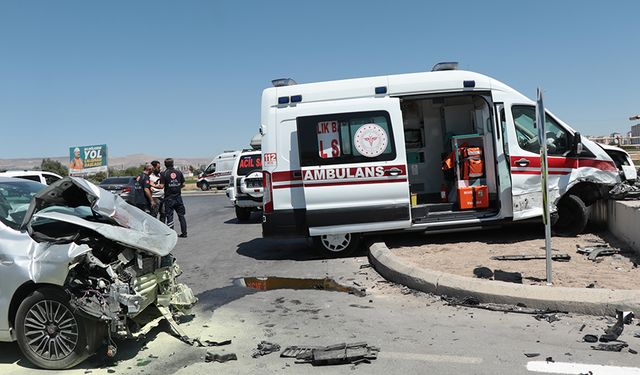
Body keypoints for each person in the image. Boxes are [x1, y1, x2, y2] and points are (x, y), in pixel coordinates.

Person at [161, 158, 187, 237]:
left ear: (165, 165)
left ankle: (171, 234)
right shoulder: (179, 172)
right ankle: (184, 233)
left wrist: (152, 185)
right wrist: (177, 188)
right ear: (173, 163)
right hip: (178, 197)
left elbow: (161, 185)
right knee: (181, 215)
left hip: (169, 198)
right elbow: (183, 184)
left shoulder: (164, 173)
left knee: (169, 216)